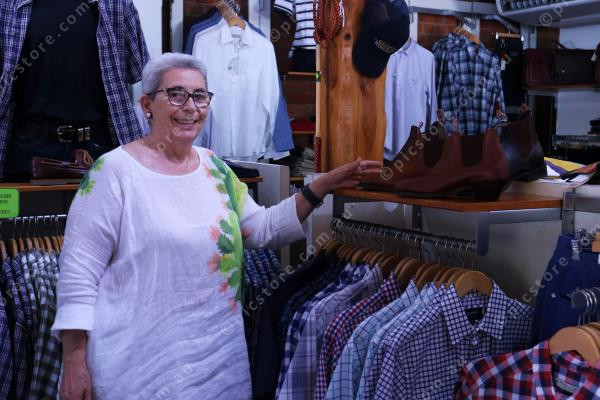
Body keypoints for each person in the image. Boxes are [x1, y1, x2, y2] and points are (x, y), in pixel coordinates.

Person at [52, 53, 382, 400]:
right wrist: (74, 361)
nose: (190, 107)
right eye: (176, 94)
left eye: (199, 96)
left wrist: (322, 185)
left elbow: (262, 228)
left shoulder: (215, 168)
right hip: (137, 367)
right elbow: (78, 274)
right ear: (147, 104)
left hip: (218, 365)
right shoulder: (113, 172)